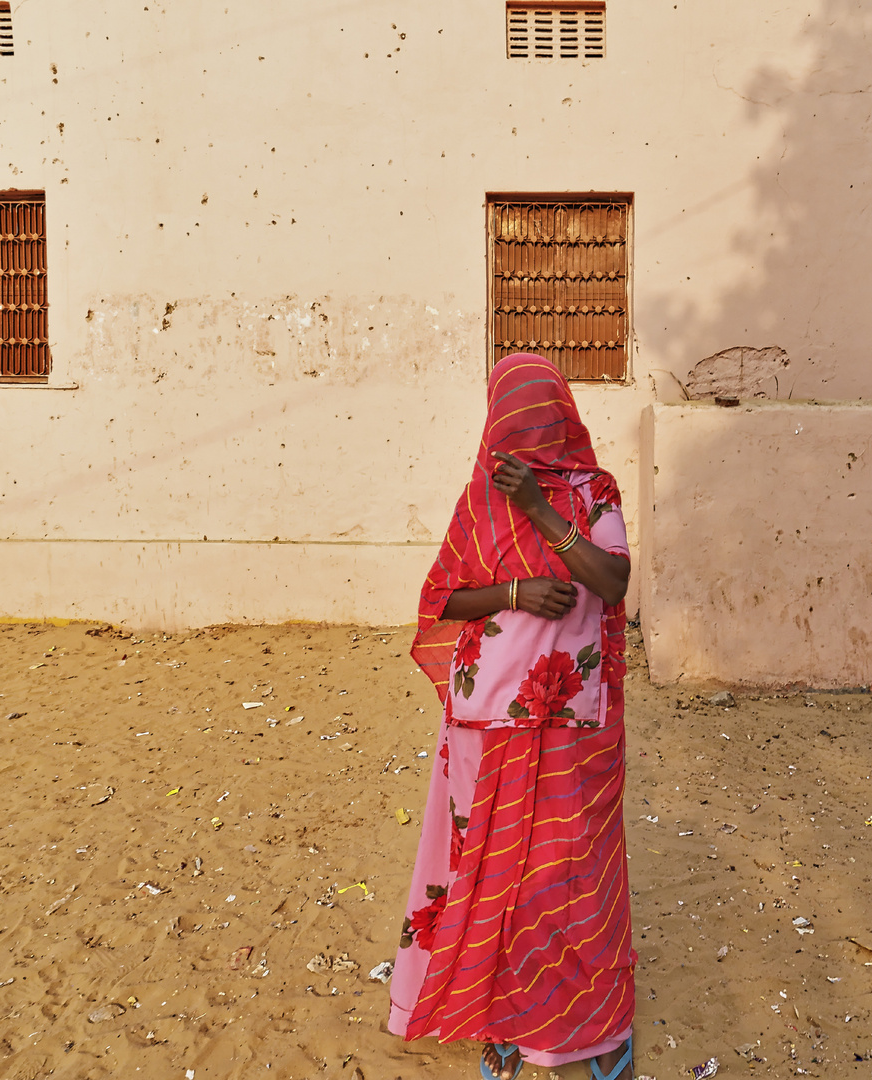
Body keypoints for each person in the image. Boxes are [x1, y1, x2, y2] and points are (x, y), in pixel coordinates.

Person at [387, 353, 637, 1080]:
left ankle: (584, 1030)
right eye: (510, 415)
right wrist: (514, 592)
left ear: (560, 415)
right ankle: (503, 1020)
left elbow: (613, 580)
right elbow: (440, 600)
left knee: (569, 873)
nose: (520, 431)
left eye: (534, 415)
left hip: (572, 721)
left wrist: (539, 509)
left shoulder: (593, 491)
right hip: (485, 721)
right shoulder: (477, 501)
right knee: (492, 874)